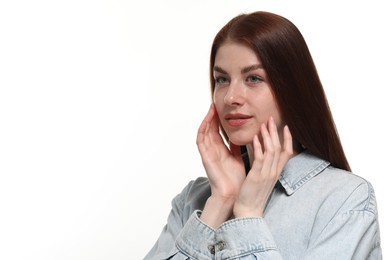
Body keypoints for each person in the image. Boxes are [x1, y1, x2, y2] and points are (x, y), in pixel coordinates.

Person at [144, 11, 382, 259]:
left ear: (292, 89)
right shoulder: (193, 200)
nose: (230, 97)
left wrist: (247, 214)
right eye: (222, 79)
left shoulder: (345, 200)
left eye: (254, 78)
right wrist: (220, 203)